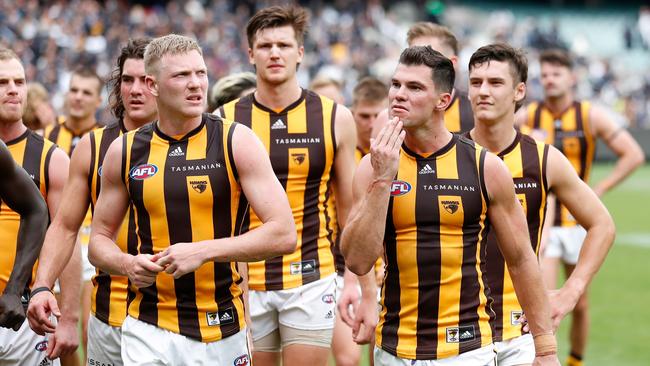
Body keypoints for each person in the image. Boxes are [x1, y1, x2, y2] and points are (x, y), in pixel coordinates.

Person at [341, 45, 560, 365]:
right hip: (393, 350)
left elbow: (522, 259)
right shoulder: (372, 166)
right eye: (396, 84)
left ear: (443, 100)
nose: (399, 95)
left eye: (415, 87)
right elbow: (358, 261)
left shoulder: (484, 167)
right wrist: (382, 180)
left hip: (468, 350)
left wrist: (546, 349)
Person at [88, 34, 296, 365]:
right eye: (181, 76)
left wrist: (202, 251)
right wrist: (127, 264)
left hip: (221, 327)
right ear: (153, 85)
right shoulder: (125, 150)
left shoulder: (236, 141)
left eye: (200, 73)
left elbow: (283, 233)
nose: (196, 84)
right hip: (148, 327)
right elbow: (97, 242)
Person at [217, 6, 377, 366]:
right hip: (244, 282)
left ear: (300, 53)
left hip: (311, 275)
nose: (275, 53)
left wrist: (356, 283)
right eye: (265, 45)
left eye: (284, 45)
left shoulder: (336, 117)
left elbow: (352, 210)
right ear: (250, 54)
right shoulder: (225, 119)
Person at [466, 43, 615, 366]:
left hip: (521, 333)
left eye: (495, 83)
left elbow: (602, 225)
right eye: (476, 82)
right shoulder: (450, 155)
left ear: (519, 91)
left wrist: (571, 291)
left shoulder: (544, 159)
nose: (483, 91)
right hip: (457, 333)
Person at [27, 38, 157, 366]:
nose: (136, 89)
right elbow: (65, 225)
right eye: (128, 80)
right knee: (71, 335)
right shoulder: (92, 145)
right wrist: (43, 287)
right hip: (105, 302)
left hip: (171, 314)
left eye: (146, 80)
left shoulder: (194, 144)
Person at [517, 49, 645, 366]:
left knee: (581, 303)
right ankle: (542, 358)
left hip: (579, 224)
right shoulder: (528, 116)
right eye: (544, 74)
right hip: (543, 222)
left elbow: (633, 155)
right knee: (540, 301)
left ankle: (575, 361)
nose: (549, 80)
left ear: (572, 78)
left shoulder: (590, 116)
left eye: (556, 74)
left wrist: (599, 189)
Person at [0, 47, 74, 365]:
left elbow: (64, 235)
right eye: (3, 82)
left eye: (19, 81)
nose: (13, 89)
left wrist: (67, 314)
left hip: (22, 309)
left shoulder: (50, 157)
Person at [44, 66, 106, 362]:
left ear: (98, 101)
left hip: (93, 240)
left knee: (86, 330)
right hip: (60, 237)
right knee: (58, 329)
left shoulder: (106, 140)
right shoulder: (47, 133)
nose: (78, 97)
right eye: (74, 90)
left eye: (87, 92)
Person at [372, 22, 474, 140]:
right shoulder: (386, 119)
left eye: (430, 57)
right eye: (413, 55)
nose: (418, 63)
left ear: (453, 63)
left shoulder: (475, 114)